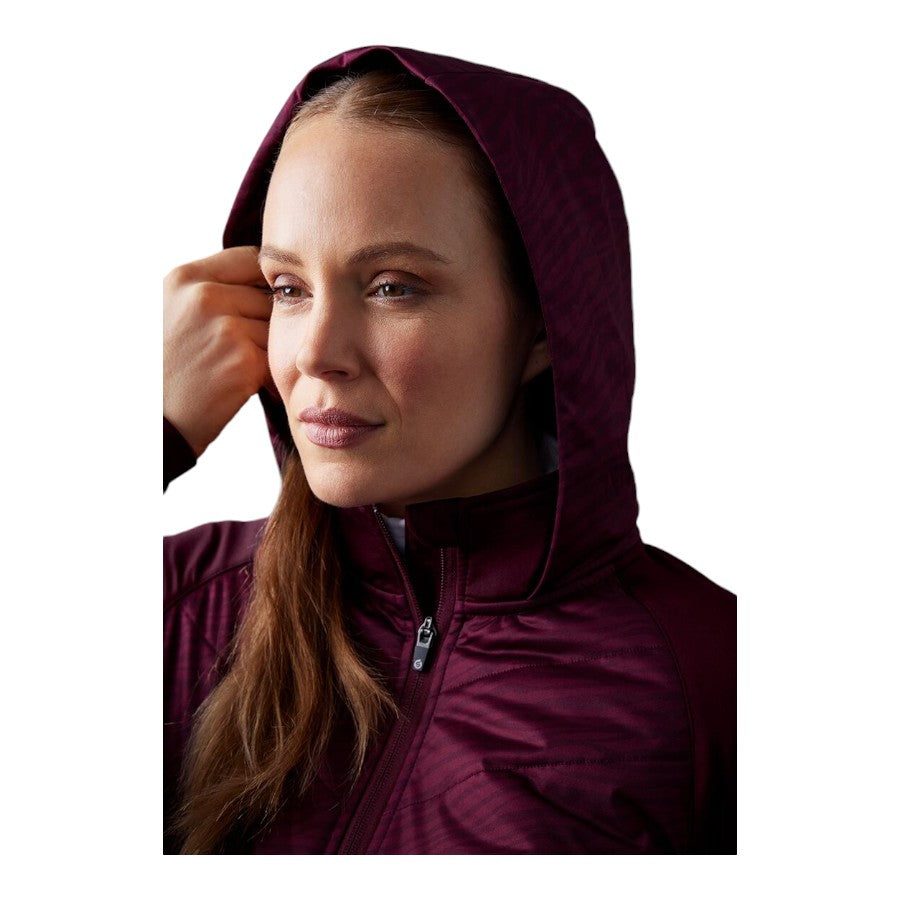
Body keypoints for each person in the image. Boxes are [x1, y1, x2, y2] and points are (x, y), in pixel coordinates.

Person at [163, 44, 736, 855]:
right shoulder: (177, 603)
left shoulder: (712, 678)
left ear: (543, 323)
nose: (316, 352)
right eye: (289, 288)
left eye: (392, 287)